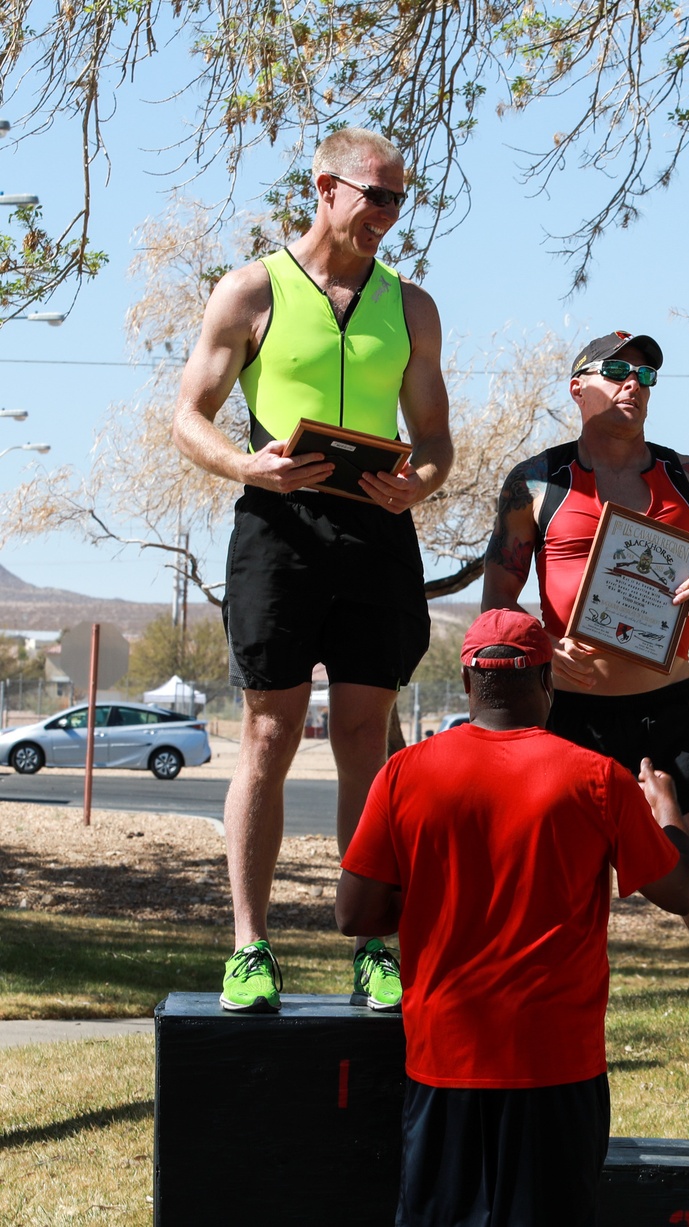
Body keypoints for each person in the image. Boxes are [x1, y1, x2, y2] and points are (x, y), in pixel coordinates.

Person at [481, 330, 689, 1166]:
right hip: (570, 724)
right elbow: (496, 610)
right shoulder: (537, 484)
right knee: (559, 911)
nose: (636, 384)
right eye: (618, 371)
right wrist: (546, 647)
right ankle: (533, 1094)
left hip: (669, 713)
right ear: (579, 387)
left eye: (647, 373)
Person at [172, 127, 452, 1014]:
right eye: (378, 197)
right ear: (325, 188)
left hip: (375, 533)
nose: (389, 216)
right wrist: (248, 466)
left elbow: (437, 441)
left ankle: (373, 943)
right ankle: (249, 945)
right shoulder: (252, 289)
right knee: (268, 735)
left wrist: (421, 486)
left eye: (401, 201)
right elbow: (188, 415)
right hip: (278, 527)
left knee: (370, 738)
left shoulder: (411, 308)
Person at [336, 609, 689, 1226]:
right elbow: (680, 890)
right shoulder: (598, 780)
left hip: (442, 1064)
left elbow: (355, 913)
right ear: (547, 682)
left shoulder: (403, 774)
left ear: (465, 684)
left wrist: (437, 891)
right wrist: (668, 814)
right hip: (556, 1070)